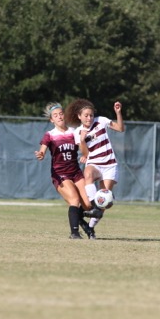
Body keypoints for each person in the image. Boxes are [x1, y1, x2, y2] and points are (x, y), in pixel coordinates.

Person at [35, 102, 101, 240]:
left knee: (88, 205)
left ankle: (82, 222)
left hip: (76, 172)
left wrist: (84, 151)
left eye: (61, 113)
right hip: (60, 174)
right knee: (74, 200)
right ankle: (74, 233)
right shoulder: (50, 135)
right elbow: (42, 150)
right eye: (55, 115)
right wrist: (41, 154)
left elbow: (84, 149)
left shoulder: (74, 131)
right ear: (51, 120)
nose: (59, 116)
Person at [65, 99, 125, 237]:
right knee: (88, 173)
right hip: (94, 164)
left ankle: (90, 228)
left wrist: (118, 113)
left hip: (110, 165)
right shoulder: (77, 132)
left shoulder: (101, 121)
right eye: (86, 115)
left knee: (104, 201)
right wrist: (82, 140)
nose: (89, 118)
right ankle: (93, 204)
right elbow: (86, 154)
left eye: (91, 115)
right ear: (79, 116)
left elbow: (120, 128)